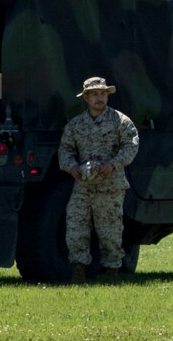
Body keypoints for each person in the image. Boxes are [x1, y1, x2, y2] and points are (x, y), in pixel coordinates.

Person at [58, 77, 140, 284]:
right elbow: (65, 150)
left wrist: (113, 164)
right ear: (86, 97)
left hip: (110, 186)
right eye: (94, 94)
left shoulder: (121, 121)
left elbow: (131, 145)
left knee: (110, 231)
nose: (100, 97)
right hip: (83, 185)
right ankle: (78, 274)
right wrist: (71, 166)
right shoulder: (76, 124)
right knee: (76, 230)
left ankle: (112, 273)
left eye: (103, 93)